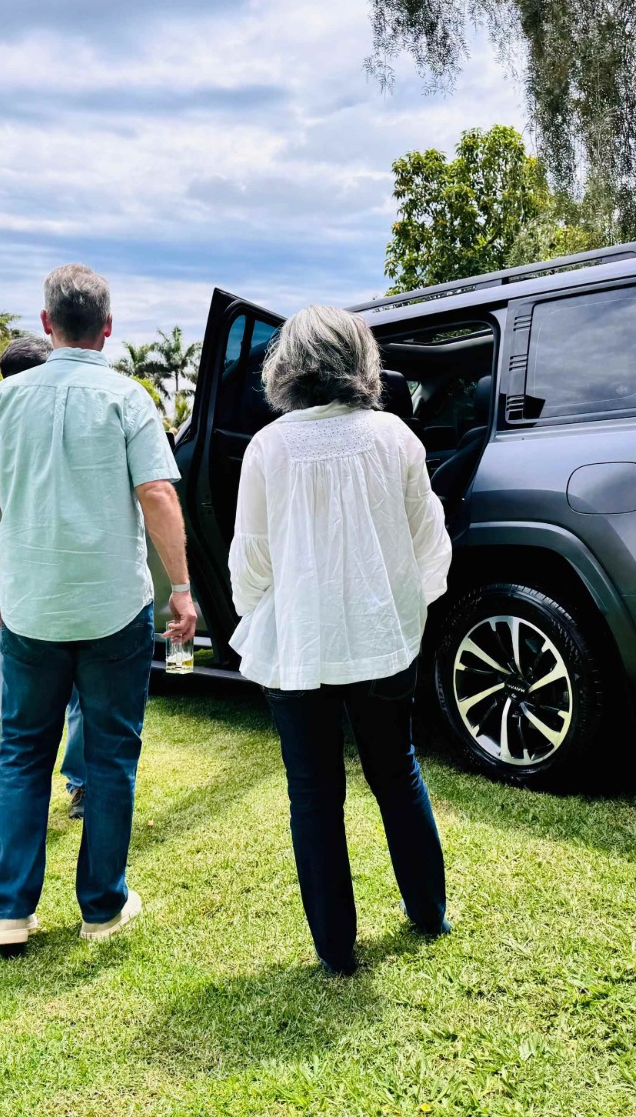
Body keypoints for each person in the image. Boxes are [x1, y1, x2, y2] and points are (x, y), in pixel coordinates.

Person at [0, 263, 196, 957]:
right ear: (108, 328)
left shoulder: (6, 400)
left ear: (45, 324)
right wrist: (182, 587)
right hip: (113, 607)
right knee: (111, 757)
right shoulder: (127, 397)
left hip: (31, 606)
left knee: (22, 756)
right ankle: (102, 904)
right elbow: (157, 494)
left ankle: (10, 910)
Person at [228, 304, 453, 977]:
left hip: (297, 645)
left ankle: (335, 950)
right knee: (397, 773)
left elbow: (252, 560)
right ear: (361, 361)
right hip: (383, 639)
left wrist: (265, 617)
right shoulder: (395, 438)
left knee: (314, 794)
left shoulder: (268, 447)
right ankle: (429, 913)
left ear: (287, 367)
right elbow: (426, 542)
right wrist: (405, 616)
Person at [0, 335, 87, 819]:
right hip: (8, 590)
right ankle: (11, 799)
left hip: (39, 583)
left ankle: (71, 784)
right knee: (15, 701)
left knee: (51, 697)